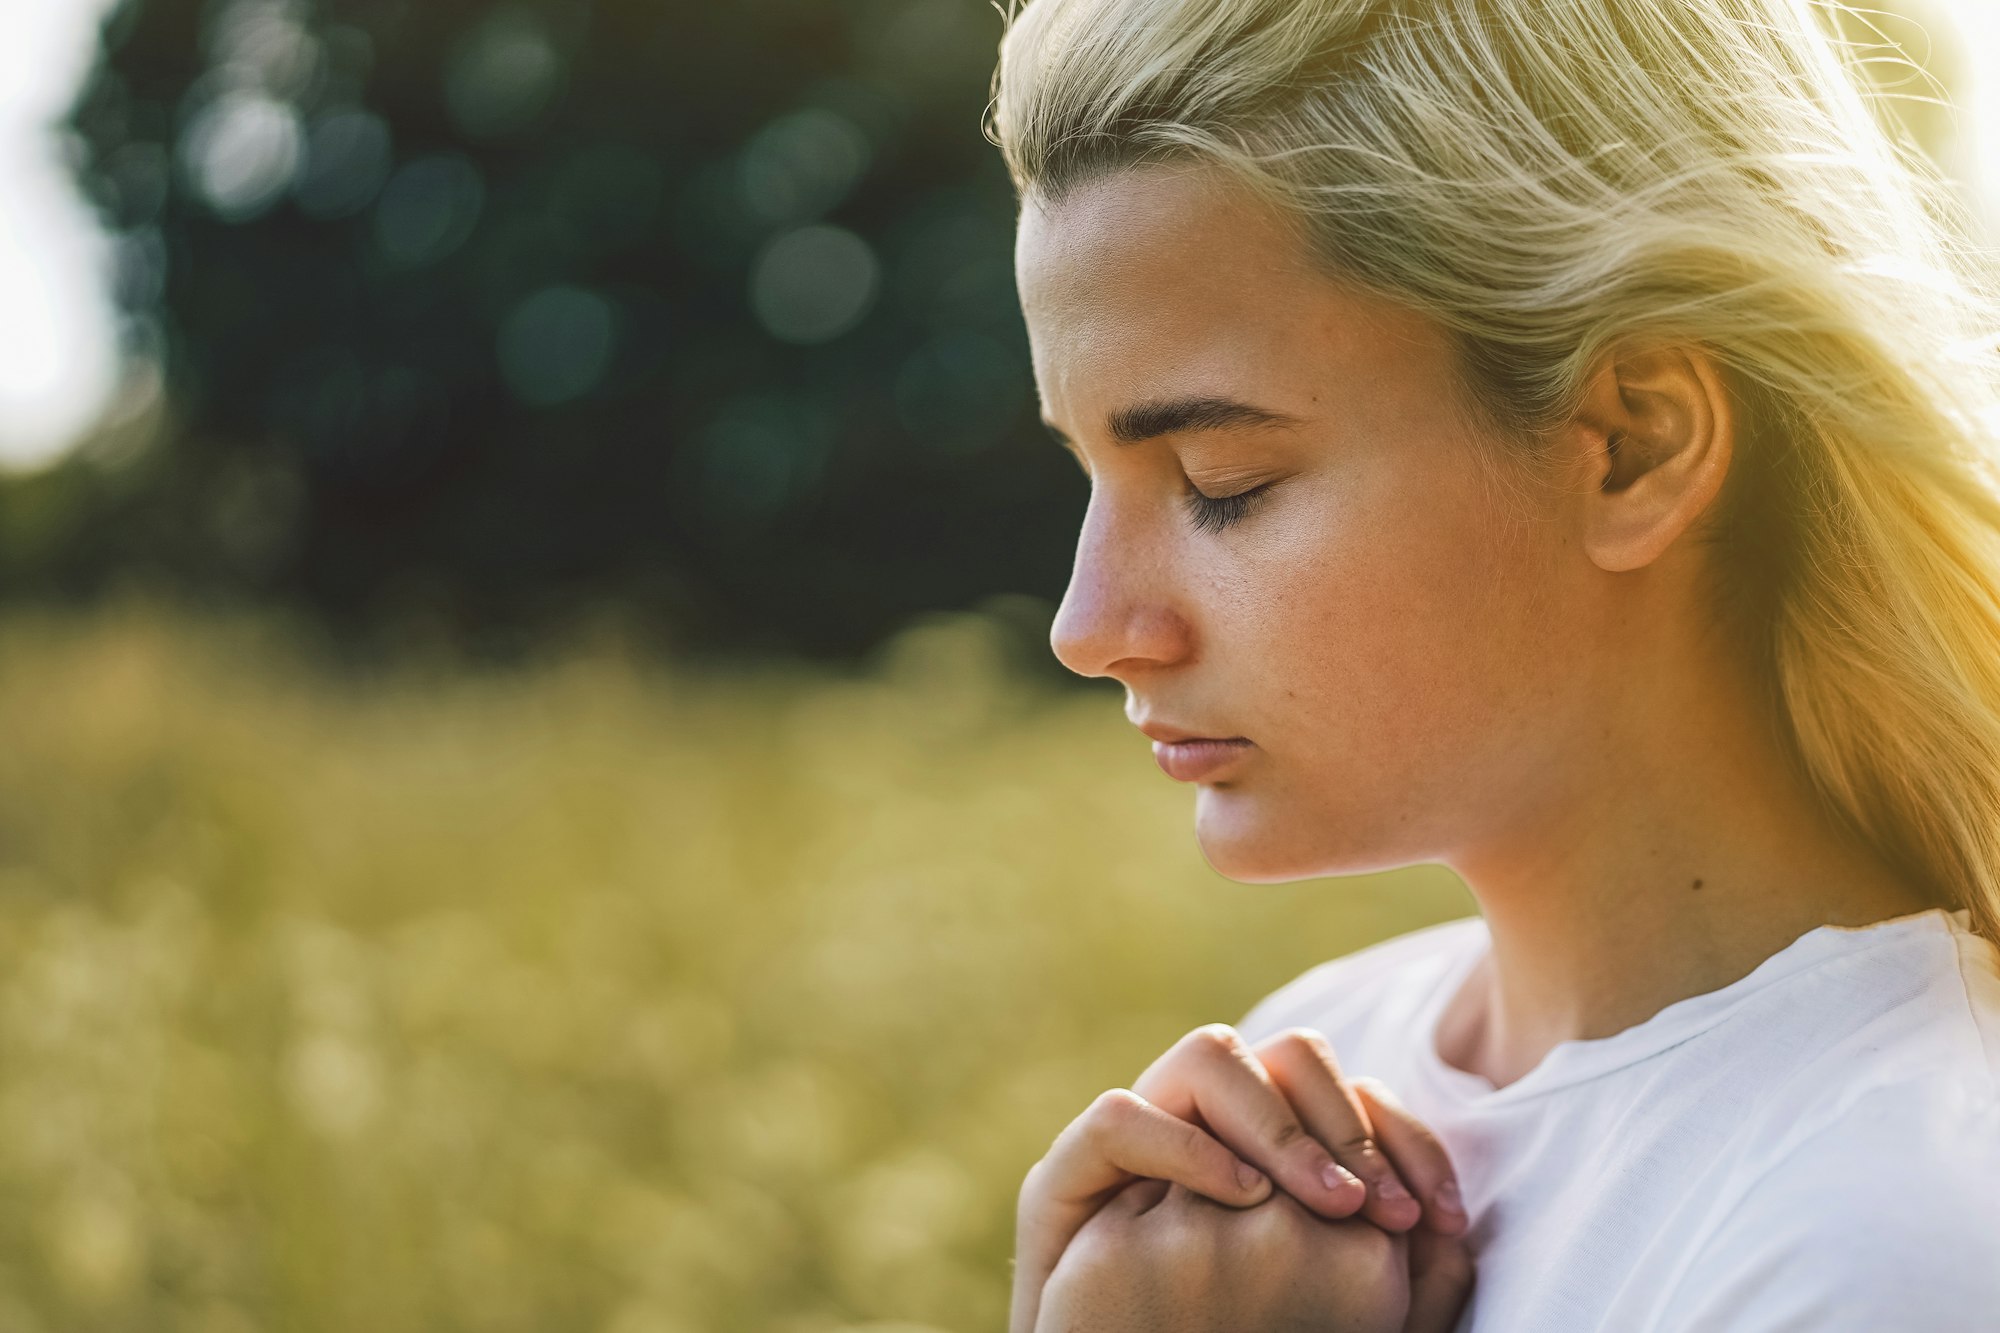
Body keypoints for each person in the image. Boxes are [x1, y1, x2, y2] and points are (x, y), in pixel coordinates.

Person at [985, 1, 2000, 1329]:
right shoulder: (1311, 1078)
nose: (1088, 620)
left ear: (1632, 444)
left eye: (1218, 481)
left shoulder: (1887, 1236)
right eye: (1091, 477)